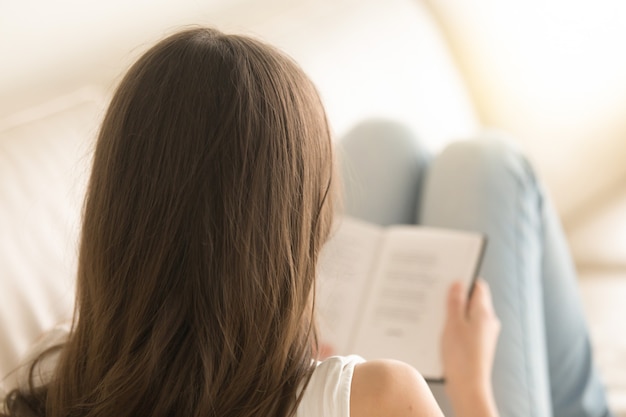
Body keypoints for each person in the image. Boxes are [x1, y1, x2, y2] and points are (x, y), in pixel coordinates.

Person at [0, 27, 612, 417]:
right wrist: (475, 384)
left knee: (384, 143)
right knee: (492, 166)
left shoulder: (45, 379)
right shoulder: (381, 398)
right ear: (292, 236)